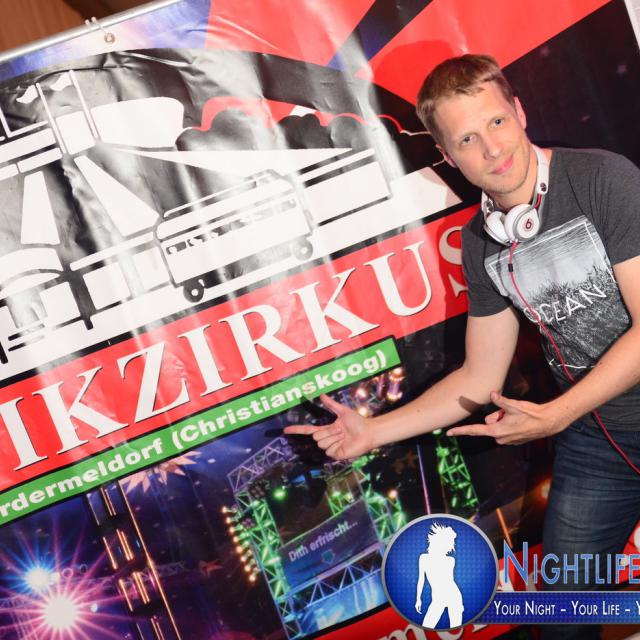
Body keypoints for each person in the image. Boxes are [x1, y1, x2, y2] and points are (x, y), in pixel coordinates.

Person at [284, 53, 640, 639]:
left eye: (496, 122)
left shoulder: (603, 178)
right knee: (564, 618)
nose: (492, 149)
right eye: (468, 139)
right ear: (448, 156)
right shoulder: (482, 243)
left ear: (519, 111)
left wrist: (556, 415)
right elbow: (480, 376)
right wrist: (373, 431)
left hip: (576, 416)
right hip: (598, 443)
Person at [415, 523, 464, 628]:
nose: (452, 545)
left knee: (456, 628)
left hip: (453, 596)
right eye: (450, 542)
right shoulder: (424, 558)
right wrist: (418, 599)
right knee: (427, 626)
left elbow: (449, 581)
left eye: (452, 542)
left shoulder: (450, 560)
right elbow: (421, 580)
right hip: (437, 599)